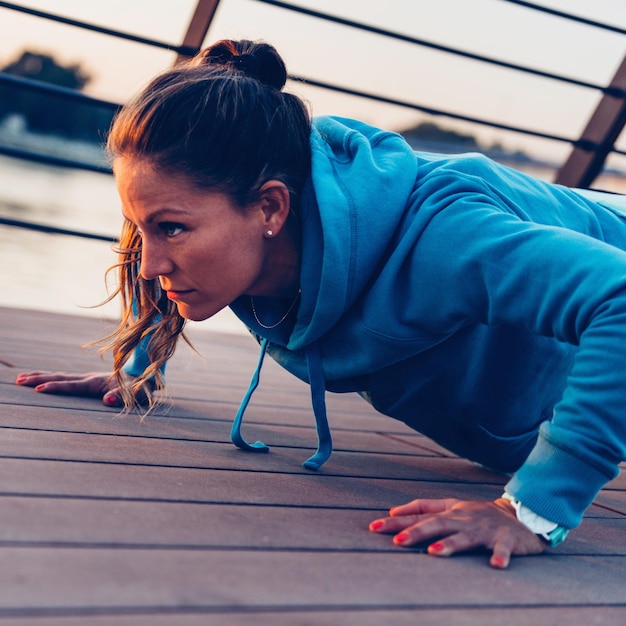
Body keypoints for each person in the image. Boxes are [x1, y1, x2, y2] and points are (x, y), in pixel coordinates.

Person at [15, 39, 626, 569]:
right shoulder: (249, 230)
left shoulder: (445, 239)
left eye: (172, 229)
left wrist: (533, 510)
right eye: (143, 228)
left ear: (273, 209)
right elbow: (159, 239)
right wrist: (138, 368)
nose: (150, 262)